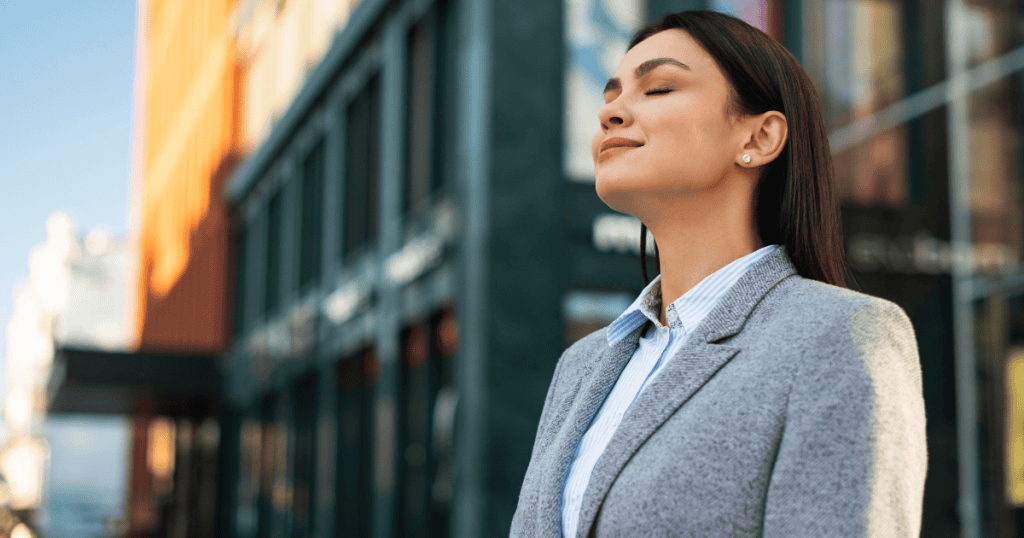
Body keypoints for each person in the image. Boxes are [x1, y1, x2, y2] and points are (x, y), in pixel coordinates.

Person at [510, 10, 927, 538]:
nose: (611, 113)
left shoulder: (841, 335)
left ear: (760, 136)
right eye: (609, 96)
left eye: (658, 88)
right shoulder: (582, 366)